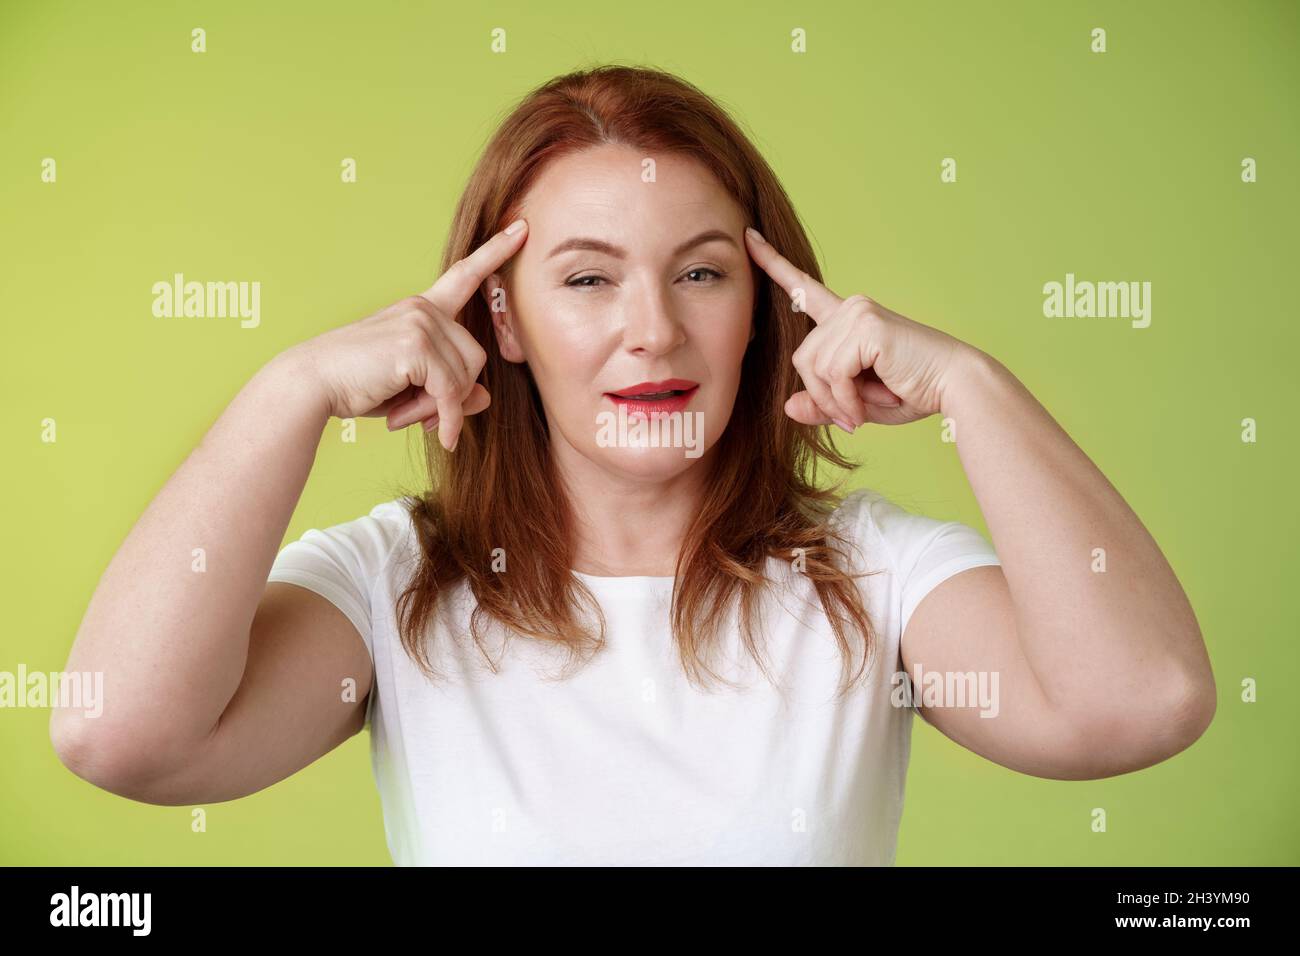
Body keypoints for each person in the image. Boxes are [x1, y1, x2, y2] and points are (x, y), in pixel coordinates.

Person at [51, 65, 1216, 865]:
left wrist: (973, 384)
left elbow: (1143, 702)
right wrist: (290, 390)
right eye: (587, 278)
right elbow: (121, 735)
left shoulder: (870, 572)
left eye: (702, 272)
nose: (652, 329)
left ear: (763, 309)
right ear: (502, 321)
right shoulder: (395, 585)